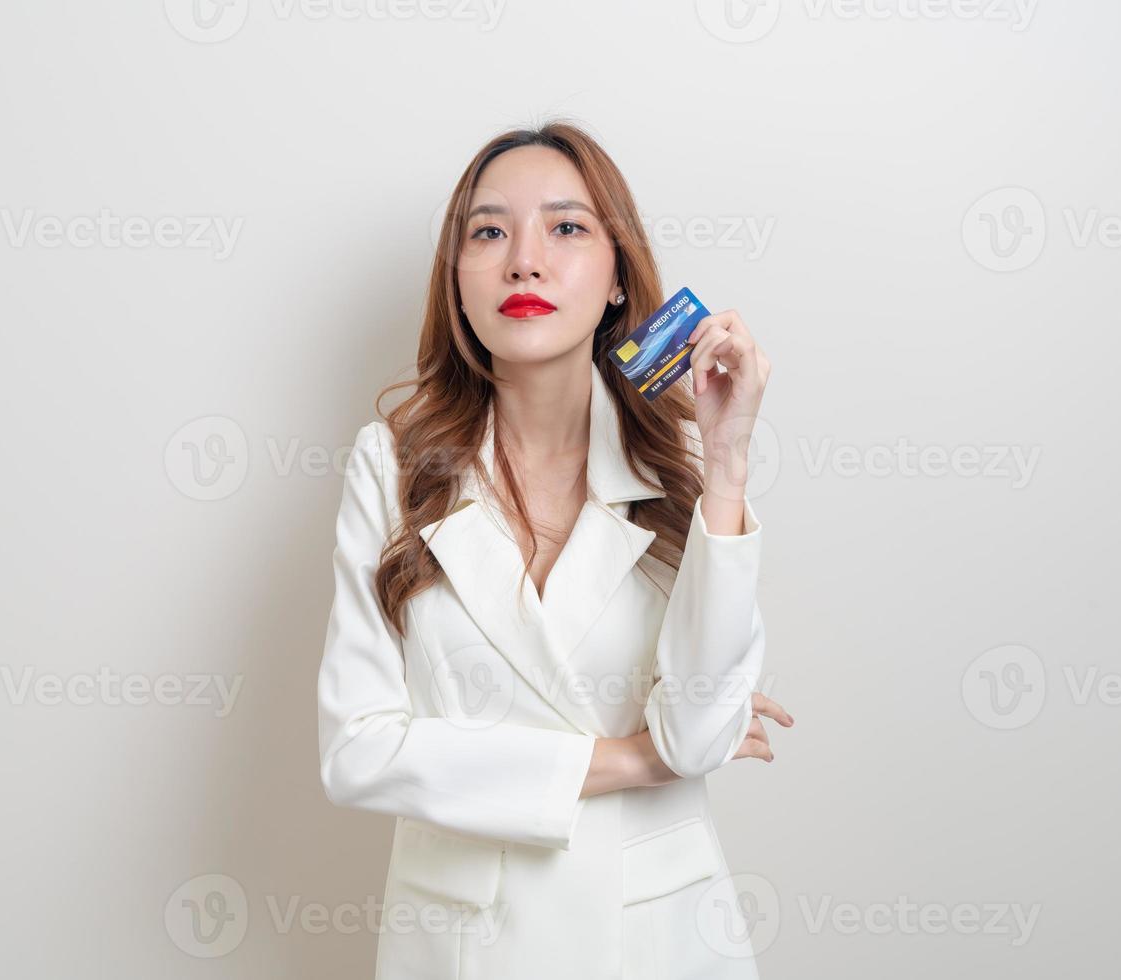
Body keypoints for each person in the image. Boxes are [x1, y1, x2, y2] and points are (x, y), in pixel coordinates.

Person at [316, 119, 794, 980]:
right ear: (456, 282)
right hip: (463, 949)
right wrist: (626, 759)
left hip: (654, 942)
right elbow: (357, 752)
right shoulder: (389, 469)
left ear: (617, 277)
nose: (524, 261)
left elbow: (692, 737)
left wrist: (727, 463)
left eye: (566, 228)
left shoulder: (678, 481)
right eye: (489, 231)